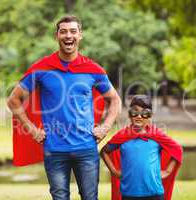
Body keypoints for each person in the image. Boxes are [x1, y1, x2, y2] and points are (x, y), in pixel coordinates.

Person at [7, 15, 121, 200]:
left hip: (86, 148)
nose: (69, 35)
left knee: (90, 197)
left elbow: (115, 100)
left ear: (80, 35)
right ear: (57, 35)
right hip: (55, 150)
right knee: (60, 198)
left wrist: (105, 127)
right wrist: (32, 129)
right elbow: (14, 100)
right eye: (64, 31)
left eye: (73, 31)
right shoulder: (42, 68)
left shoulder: (93, 69)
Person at [100, 95, 183, 200]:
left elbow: (176, 150)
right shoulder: (122, 135)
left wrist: (167, 171)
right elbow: (104, 151)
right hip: (129, 193)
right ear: (130, 115)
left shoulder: (157, 135)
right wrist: (114, 171)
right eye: (135, 112)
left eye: (145, 113)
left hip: (155, 193)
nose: (139, 116)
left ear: (150, 115)